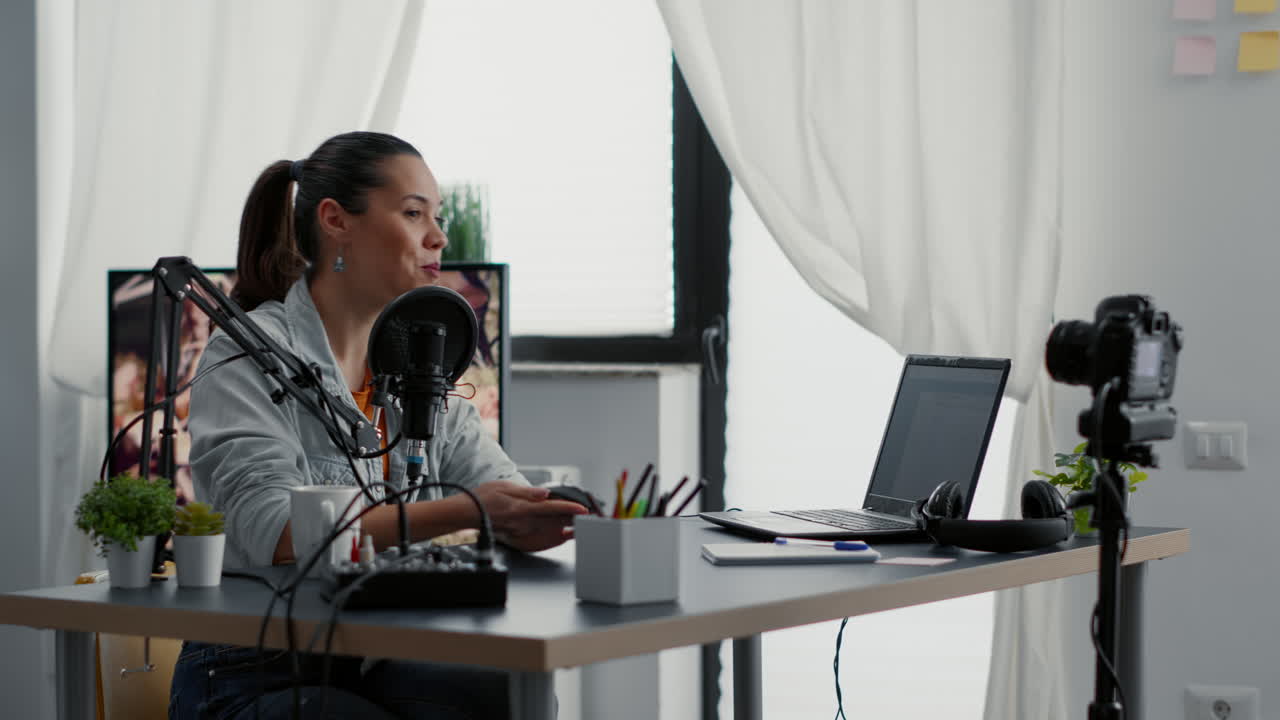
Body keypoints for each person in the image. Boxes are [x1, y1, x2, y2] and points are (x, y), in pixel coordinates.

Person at [168, 131, 586, 719]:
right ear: (336, 220)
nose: (438, 237)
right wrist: (474, 510)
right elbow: (279, 530)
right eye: (414, 214)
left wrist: (536, 515)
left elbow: (500, 489)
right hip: (253, 672)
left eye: (435, 216)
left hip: (378, 655)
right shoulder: (245, 356)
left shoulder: (421, 365)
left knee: (504, 690)